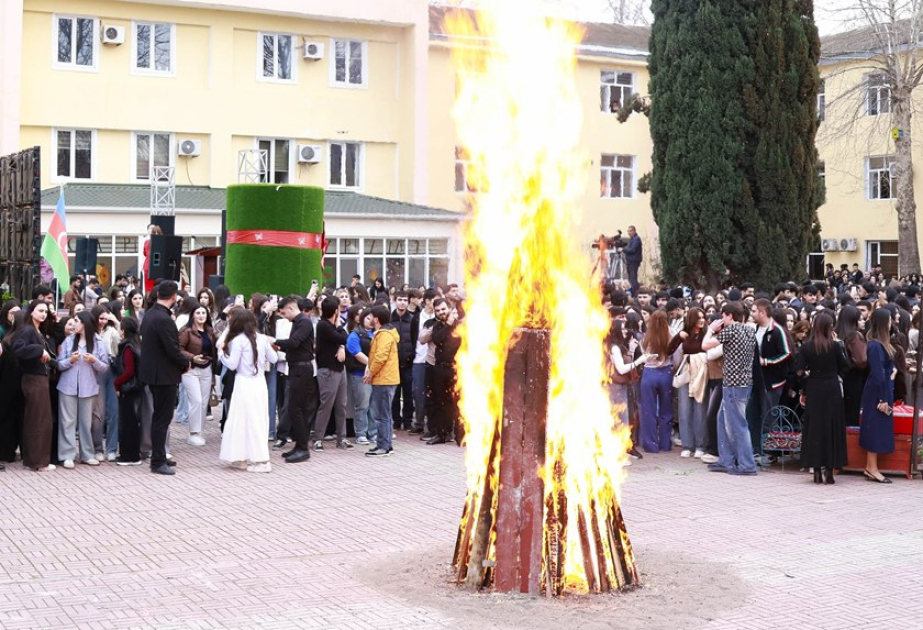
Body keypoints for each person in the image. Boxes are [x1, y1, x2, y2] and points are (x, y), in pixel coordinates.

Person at [140, 281, 190, 476]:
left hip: (155, 373)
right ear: (173, 297)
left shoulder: (151, 314)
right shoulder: (163, 318)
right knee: (162, 418)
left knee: (159, 418)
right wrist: (186, 363)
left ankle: (159, 456)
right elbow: (172, 349)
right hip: (163, 375)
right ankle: (158, 460)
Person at [702, 301, 758, 476]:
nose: (722, 319)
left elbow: (705, 346)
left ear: (730, 316)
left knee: (738, 424)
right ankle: (726, 460)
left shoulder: (731, 330)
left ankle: (747, 464)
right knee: (722, 419)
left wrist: (711, 329)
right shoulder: (750, 330)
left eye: (723, 316)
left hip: (733, 383)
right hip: (744, 382)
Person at [219, 309, 277, 473]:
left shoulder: (238, 341)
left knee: (241, 420)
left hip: (243, 383)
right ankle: (255, 457)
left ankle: (252, 459)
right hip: (259, 383)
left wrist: (221, 354)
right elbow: (273, 358)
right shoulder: (263, 339)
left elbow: (231, 365)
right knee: (258, 420)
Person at [797, 312, 849, 485]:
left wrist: (805, 387)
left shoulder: (806, 347)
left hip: (814, 388)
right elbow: (846, 366)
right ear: (830, 327)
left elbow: (798, 370)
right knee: (832, 427)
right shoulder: (835, 346)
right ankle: (830, 469)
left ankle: (816, 470)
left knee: (815, 428)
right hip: (832, 388)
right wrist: (835, 374)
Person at [56, 310, 110, 468]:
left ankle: (87, 454)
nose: (74, 323)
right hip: (67, 386)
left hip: (89, 387)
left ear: (85, 323)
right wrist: (70, 360)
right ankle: (67, 455)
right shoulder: (68, 341)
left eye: (77, 320)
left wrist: (94, 361)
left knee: (86, 422)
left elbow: (105, 367)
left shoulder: (98, 342)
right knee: (67, 421)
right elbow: (59, 364)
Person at [11, 300, 57, 471]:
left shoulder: (37, 330)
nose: (44, 314)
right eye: (40, 310)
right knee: (38, 421)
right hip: (33, 379)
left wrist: (55, 362)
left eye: (45, 311)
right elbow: (17, 348)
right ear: (31, 311)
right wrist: (38, 350)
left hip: (40, 378)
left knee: (40, 420)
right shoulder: (28, 330)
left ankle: (35, 460)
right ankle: (37, 462)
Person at [272, 296, 318, 464]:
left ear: (291, 309)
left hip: (302, 369)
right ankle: (299, 445)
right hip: (297, 368)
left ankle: (303, 448)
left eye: (284, 313)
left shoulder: (304, 322)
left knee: (296, 408)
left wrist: (275, 341)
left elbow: (294, 342)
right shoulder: (298, 323)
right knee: (294, 408)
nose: (284, 316)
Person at [860, 308, 897, 484]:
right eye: (889, 320)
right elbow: (877, 373)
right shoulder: (875, 345)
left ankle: (871, 467)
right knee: (874, 428)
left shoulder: (880, 344)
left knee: (876, 427)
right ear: (884, 323)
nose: (892, 323)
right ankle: (872, 468)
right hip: (878, 392)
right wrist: (882, 398)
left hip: (882, 390)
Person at [312, 296, 351, 451]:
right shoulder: (323, 326)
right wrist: (339, 326)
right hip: (327, 370)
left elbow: (341, 341)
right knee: (326, 405)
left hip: (340, 369)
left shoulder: (330, 325)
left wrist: (341, 347)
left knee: (341, 405)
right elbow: (342, 337)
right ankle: (318, 439)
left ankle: (342, 438)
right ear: (335, 311)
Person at [364, 305, 400, 457]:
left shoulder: (384, 335)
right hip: (386, 378)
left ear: (376, 319)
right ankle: (385, 444)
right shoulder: (386, 333)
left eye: (371, 316)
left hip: (383, 379)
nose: (370, 319)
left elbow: (380, 357)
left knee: (381, 414)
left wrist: (370, 373)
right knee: (384, 413)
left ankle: (383, 446)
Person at [179, 305, 216, 446]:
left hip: (207, 368)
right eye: (198, 313)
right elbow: (179, 348)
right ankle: (193, 433)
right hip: (190, 369)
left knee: (204, 402)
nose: (201, 315)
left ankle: (199, 431)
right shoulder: (186, 331)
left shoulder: (210, 331)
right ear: (192, 315)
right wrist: (192, 357)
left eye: (203, 313)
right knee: (196, 400)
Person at [428, 298, 462, 445]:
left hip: (457, 368)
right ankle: (442, 434)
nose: (441, 312)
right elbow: (437, 340)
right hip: (440, 368)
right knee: (441, 402)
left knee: (459, 402)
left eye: (443, 309)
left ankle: (461, 436)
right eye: (438, 310)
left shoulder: (459, 325)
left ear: (449, 308)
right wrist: (447, 326)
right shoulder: (437, 327)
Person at [638, 310, 673, 452]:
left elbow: (642, 353)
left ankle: (650, 444)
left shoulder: (646, 335)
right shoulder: (671, 334)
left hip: (649, 373)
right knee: (666, 410)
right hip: (666, 372)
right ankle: (665, 444)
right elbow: (676, 355)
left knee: (648, 410)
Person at [114, 317, 144, 465]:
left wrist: (117, 383)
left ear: (124, 330)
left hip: (128, 388)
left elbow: (129, 371)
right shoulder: (138, 344)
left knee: (128, 423)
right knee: (133, 421)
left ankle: (129, 456)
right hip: (137, 388)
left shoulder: (127, 347)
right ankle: (133, 454)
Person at [345, 304, 375, 445]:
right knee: (362, 404)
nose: (370, 321)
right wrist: (373, 364)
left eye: (372, 318)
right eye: (367, 318)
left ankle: (373, 432)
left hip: (376, 374)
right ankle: (361, 433)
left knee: (374, 404)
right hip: (359, 373)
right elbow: (356, 353)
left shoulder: (378, 333)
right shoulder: (355, 334)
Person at [390, 291, 416, 430]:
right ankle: (396, 420)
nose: (402, 302)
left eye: (405, 300)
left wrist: (411, 355)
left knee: (408, 393)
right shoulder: (389, 319)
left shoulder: (412, 319)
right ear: (395, 301)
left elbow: (415, 339)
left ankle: (407, 421)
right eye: (399, 299)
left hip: (408, 363)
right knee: (394, 394)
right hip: (393, 364)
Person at [623, 225, 642, 295]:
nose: (629, 233)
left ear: (634, 231)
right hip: (630, 261)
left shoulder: (636, 239)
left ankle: (634, 293)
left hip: (633, 261)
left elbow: (632, 250)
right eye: (628, 231)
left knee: (633, 278)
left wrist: (623, 249)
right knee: (631, 278)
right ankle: (633, 291)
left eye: (630, 231)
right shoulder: (632, 239)